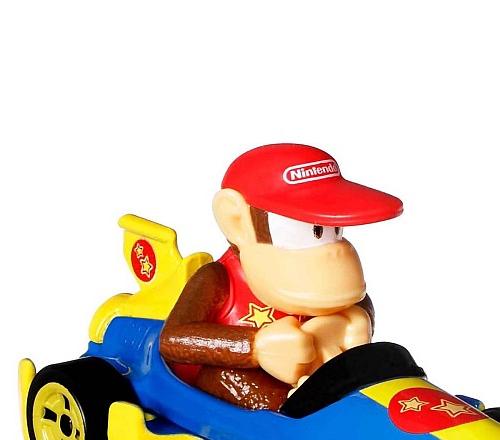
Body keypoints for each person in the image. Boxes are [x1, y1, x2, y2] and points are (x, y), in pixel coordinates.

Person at [159, 143, 403, 410]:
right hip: (241, 381)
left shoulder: (326, 276)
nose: (332, 251)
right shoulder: (219, 278)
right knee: (226, 376)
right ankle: (291, 417)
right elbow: (173, 339)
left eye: (333, 229)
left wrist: (360, 319)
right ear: (237, 220)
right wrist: (256, 347)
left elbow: (353, 299)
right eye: (313, 230)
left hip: (319, 377)